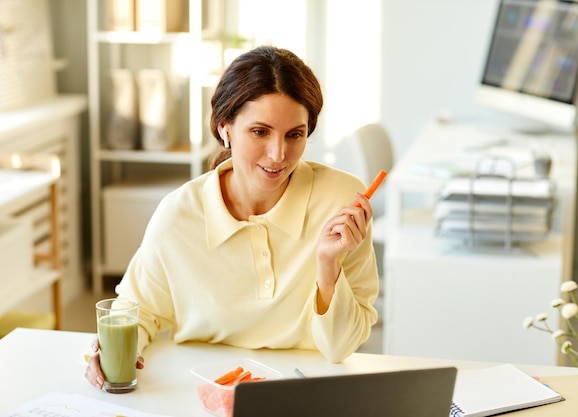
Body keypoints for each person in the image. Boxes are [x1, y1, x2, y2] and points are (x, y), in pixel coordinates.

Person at [85, 46, 379, 390]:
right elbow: (139, 311)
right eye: (260, 132)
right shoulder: (178, 214)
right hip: (203, 393)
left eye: (294, 135)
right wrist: (108, 350)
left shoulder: (342, 202)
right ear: (225, 127)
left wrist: (328, 266)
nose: (278, 155)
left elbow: (341, 348)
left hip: (305, 395)